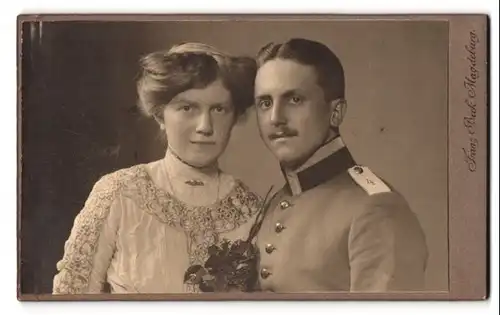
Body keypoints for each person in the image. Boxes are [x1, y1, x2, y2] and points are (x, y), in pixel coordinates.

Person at [52, 42, 263, 294]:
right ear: (160, 115)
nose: (205, 126)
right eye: (187, 108)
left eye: (219, 109)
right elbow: (70, 296)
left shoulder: (251, 209)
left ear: (234, 116)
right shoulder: (119, 193)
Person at [253, 38, 428, 292]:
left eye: (294, 100)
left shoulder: (376, 207)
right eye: (265, 103)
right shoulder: (276, 202)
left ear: (335, 112)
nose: (275, 118)